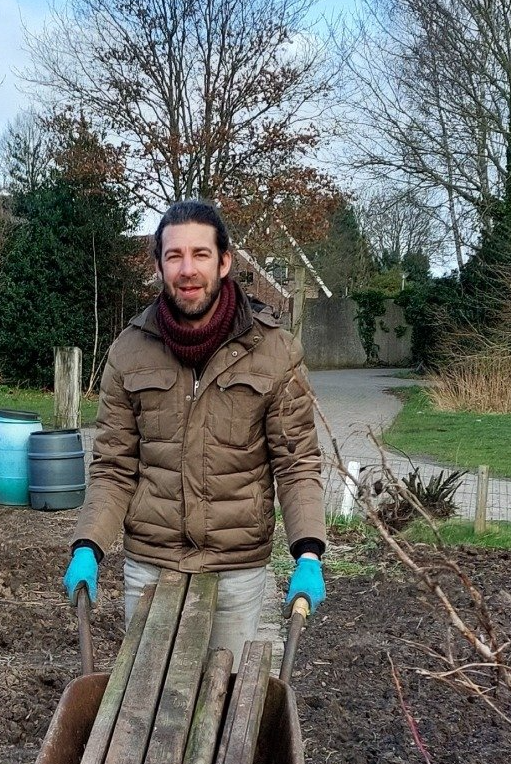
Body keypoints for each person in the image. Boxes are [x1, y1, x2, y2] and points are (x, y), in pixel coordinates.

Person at [62, 199, 325, 660]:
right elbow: (113, 467)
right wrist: (89, 544)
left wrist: (307, 552)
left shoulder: (276, 352)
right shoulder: (129, 352)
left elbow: (297, 462)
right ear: (160, 266)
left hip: (235, 567)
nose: (188, 269)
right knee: (144, 701)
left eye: (200, 254)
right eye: (174, 256)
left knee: (224, 704)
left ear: (224, 261)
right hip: (151, 564)